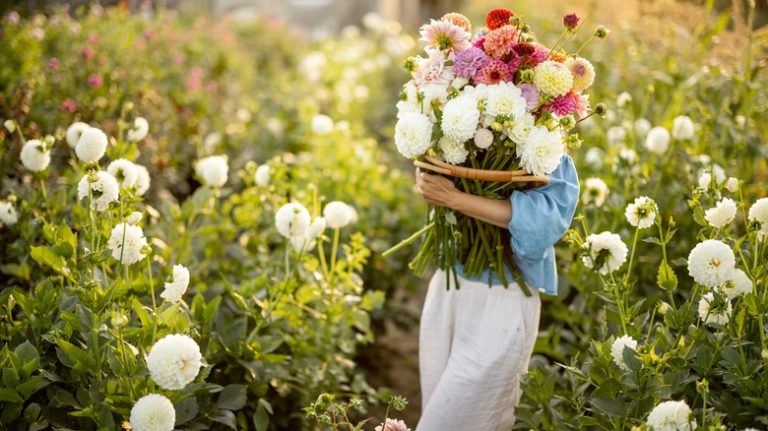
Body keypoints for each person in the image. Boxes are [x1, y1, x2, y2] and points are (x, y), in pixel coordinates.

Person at [413, 152, 579, 430]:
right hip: (447, 284)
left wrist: (456, 199)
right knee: (434, 406)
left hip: (503, 299)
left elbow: (544, 223)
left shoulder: (547, 139)